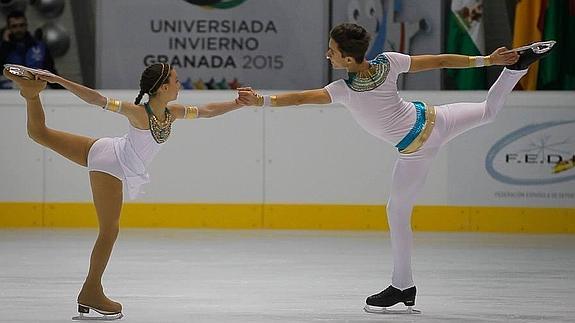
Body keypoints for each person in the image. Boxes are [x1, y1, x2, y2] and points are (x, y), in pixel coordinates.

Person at [237, 23, 555, 314]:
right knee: (487, 112)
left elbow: (299, 99)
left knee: (396, 212)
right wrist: (487, 60)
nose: (327, 54)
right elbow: (440, 60)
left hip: (416, 150)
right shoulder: (389, 62)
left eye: (332, 50)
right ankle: (516, 69)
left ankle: (402, 285)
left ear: (348, 60)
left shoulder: (343, 90)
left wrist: (261, 101)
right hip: (437, 119)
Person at [3, 63, 249, 320]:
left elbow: (207, 111)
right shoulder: (138, 113)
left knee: (39, 133)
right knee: (109, 230)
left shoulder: (171, 112)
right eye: (175, 80)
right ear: (163, 87)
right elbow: (96, 99)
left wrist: (239, 103)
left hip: (105, 149)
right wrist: (59, 79)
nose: (179, 83)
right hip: (112, 163)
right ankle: (91, 290)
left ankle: (31, 93)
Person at [0, 10, 60, 89]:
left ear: (26, 25)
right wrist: (5, 45)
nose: (19, 29)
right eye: (14, 26)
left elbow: (51, 71)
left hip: (38, 87)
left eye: (22, 25)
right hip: (11, 89)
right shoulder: (4, 48)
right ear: (8, 28)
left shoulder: (40, 47)